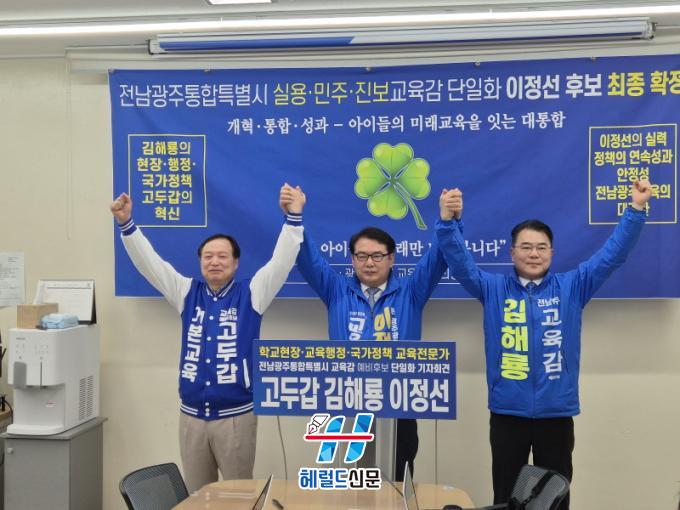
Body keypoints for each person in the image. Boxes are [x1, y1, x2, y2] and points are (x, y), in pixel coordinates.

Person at [436, 181, 652, 509]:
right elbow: (460, 262)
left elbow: (612, 256)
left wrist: (635, 209)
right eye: (525, 247)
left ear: (552, 252)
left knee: (554, 499)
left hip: (556, 413)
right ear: (512, 253)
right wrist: (448, 222)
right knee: (506, 498)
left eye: (541, 247)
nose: (534, 253)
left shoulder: (573, 286)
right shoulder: (492, 288)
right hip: (507, 412)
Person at [110, 189, 304, 492]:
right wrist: (126, 224)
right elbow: (151, 265)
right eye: (208, 256)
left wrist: (293, 219)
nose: (215, 262)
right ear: (200, 262)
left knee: (239, 497)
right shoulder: (187, 292)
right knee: (198, 496)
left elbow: (280, 263)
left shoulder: (252, 293)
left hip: (236, 418)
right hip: (191, 417)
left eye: (222, 256)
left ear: (236, 263)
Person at [280, 183, 462, 481]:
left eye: (377, 256)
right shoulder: (336, 290)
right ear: (352, 259)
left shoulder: (411, 291)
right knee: (356, 483)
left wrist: (447, 220)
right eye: (362, 256)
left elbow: (438, 258)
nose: (369, 263)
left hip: (400, 404)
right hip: (351, 402)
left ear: (391, 259)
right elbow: (307, 259)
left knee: (399, 481)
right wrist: (294, 216)